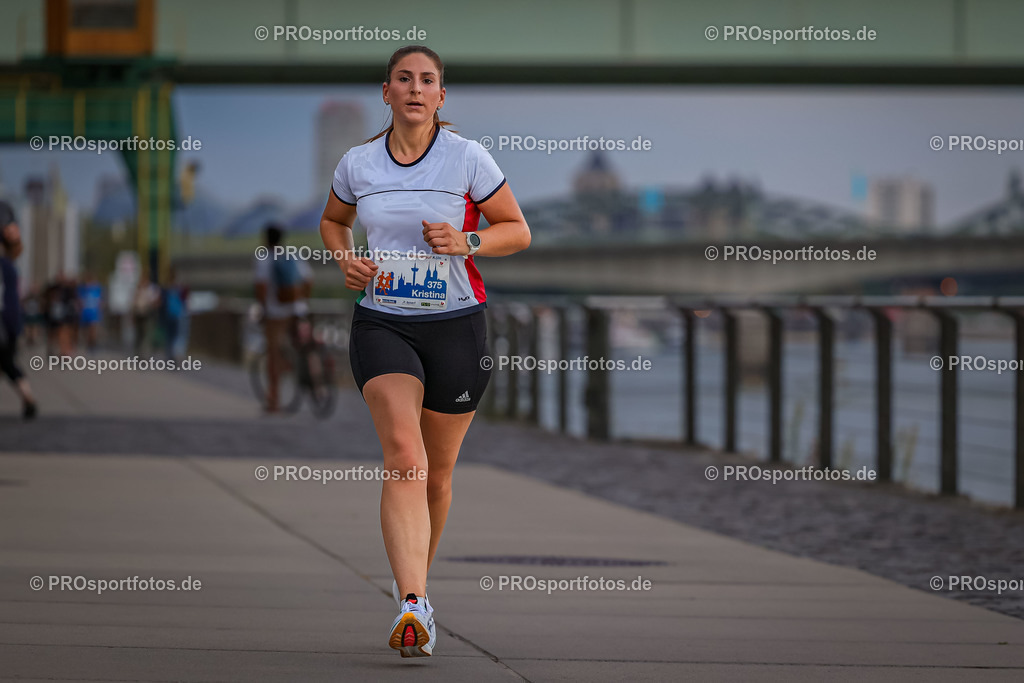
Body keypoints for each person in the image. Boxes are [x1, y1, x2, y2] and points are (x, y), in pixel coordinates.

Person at [319, 45, 530, 657]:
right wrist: (344, 258)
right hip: (384, 324)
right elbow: (334, 221)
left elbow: (516, 230)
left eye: (428, 81)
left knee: (436, 476)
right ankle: (412, 602)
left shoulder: (468, 158)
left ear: (442, 97)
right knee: (404, 455)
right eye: (404, 79)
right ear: (386, 93)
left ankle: (418, 587)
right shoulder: (358, 164)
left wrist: (468, 240)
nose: (415, 89)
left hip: (457, 328)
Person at [253, 223, 312, 412]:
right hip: (295, 310)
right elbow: (308, 280)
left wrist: (262, 309)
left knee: (273, 354)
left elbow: (261, 287)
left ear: (266, 239)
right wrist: (300, 300)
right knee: (302, 345)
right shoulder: (293, 254)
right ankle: (314, 377)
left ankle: (274, 398)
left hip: (275, 312)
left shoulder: (264, 258)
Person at [0, 201, 38, 419]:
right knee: (9, 364)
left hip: (4, 320)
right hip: (11, 321)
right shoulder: (9, 263)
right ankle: (28, 397)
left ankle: (28, 398)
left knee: (7, 364)